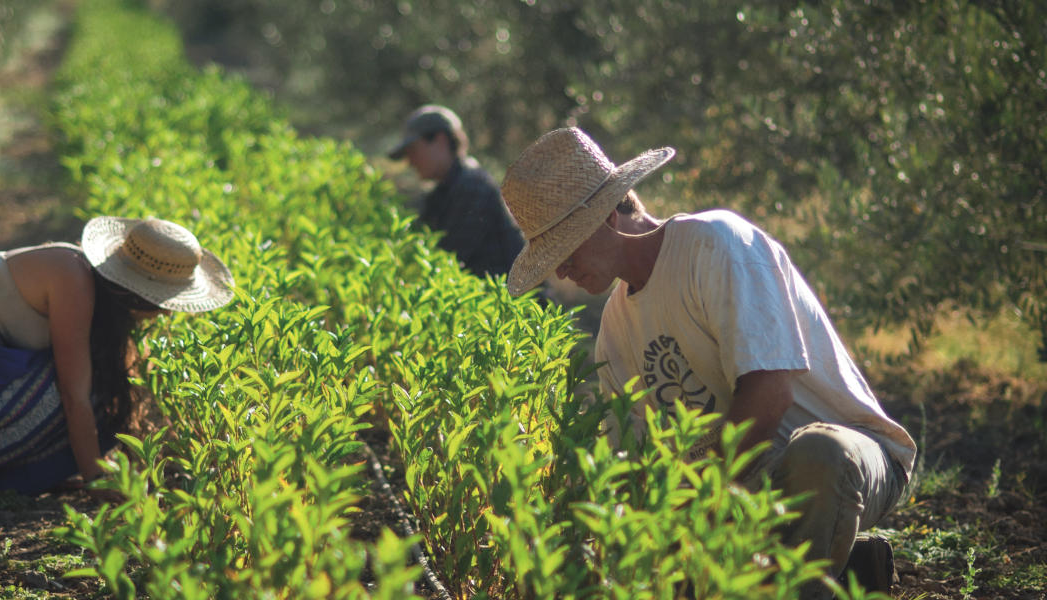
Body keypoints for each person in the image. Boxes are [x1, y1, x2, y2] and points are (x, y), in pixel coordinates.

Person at [499, 128, 917, 596]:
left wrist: (698, 515)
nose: (560, 271)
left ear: (605, 216)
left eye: (565, 248)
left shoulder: (716, 244)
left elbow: (768, 398)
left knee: (818, 453)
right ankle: (844, 564)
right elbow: (634, 467)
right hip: (741, 492)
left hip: (846, 460)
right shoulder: (615, 333)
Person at [0, 216, 235, 496]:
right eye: (165, 301)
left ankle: (20, 471)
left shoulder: (82, 274)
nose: (167, 312)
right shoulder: (73, 278)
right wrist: (98, 483)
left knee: (116, 370)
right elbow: (74, 395)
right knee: (100, 382)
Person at [388, 104, 524, 278]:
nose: (410, 161)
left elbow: (446, 260)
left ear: (440, 140)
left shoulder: (473, 187)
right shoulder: (445, 192)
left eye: (413, 151)